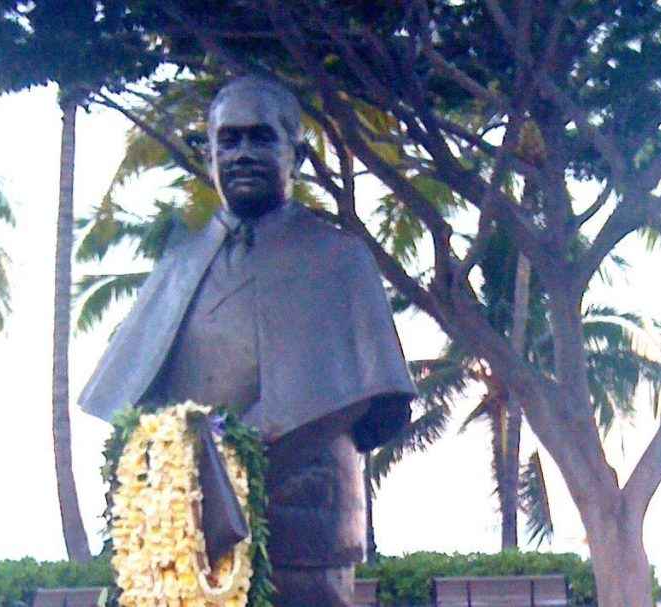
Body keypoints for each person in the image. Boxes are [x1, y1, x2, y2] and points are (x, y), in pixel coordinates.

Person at [78, 76, 415, 606]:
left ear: (295, 155)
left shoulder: (338, 259)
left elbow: (370, 394)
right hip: (188, 539)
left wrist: (240, 455)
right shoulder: (178, 264)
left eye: (261, 138)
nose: (242, 154)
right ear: (209, 153)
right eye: (228, 140)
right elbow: (135, 400)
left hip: (306, 532)